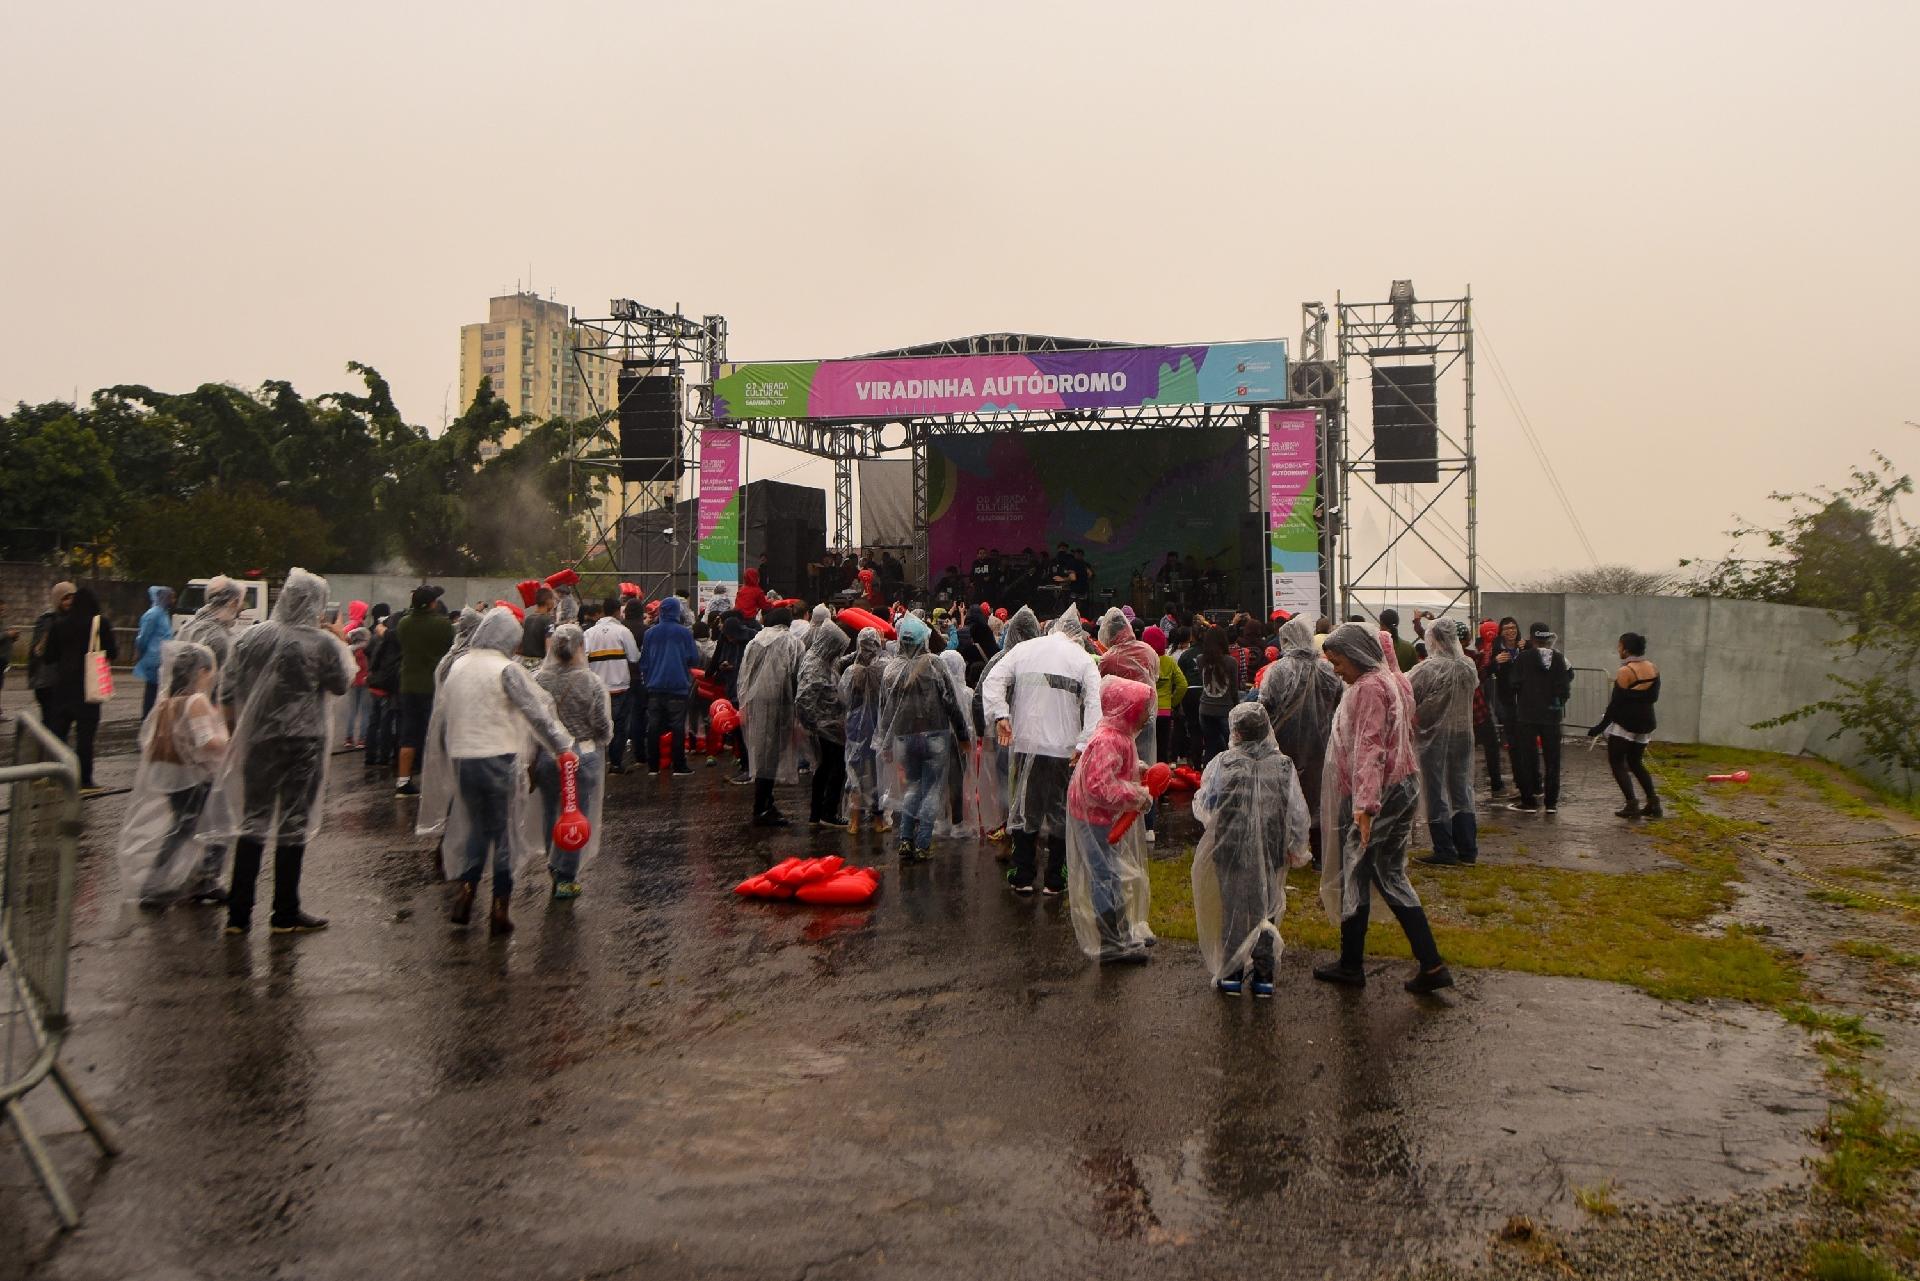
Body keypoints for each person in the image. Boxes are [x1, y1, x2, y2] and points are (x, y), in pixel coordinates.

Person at [1314, 622, 1454, 994]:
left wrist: (1365, 805)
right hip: (1396, 787)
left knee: (1369, 872)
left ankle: (1372, 963)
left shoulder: (1369, 689)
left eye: (1338, 661)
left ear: (1357, 655)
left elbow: (1370, 747)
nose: (1335, 669)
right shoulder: (1390, 680)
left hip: (1381, 793)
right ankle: (1410, 962)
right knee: (1376, 872)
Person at [210, 569, 352, 935]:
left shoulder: (250, 638)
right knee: (293, 823)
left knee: (253, 820)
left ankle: (239, 915)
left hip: (258, 740)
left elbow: (227, 691)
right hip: (303, 741)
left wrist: (234, 733)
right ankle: (284, 910)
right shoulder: (320, 644)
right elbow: (340, 685)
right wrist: (338, 640)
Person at [429, 608, 574, 934]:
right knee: (504, 832)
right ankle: (499, 907)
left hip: (463, 759)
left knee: (477, 828)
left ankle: (467, 892)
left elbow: (445, 716)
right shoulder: (505, 670)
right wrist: (562, 746)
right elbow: (536, 714)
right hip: (497, 758)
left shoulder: (459, 666)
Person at [981, 602, 1102, 896]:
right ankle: (1055, 878)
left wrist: (1001, 715)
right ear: (1077, 634)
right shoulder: (1082, 659)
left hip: (1026, 744)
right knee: (1060, 809)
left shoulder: (1026, 649)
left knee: (1026, 806)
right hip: (1065, 748)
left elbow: (993, 679)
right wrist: (1085, 742)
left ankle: (1022, 874)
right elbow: (1095, 703)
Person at [1193, 703, 1311, 996]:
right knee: (1266, 908)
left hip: (1230, 847)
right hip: (1272, 848)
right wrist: (1297, 845)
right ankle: (1263, 976)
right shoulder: (1283, 765)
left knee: (1233, 908)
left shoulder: (1224, 762)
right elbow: (1297, 812)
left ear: (1236, 731)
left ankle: (1231, 973)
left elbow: (1207, 802)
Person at [117, 641, 232, 910]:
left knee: (182, 829)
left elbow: (150, 742)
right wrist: (230, 742)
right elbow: (206, 742)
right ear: (201, 672)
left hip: (172, 778)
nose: (213, 675)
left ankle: (158, 883)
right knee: (218, 825)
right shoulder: (196, 701)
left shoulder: (166, 702)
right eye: (210, 670)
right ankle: (201, 880)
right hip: (195, 778)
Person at [1064, 675, 1156, 964]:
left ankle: (1120, 932)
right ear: (1125, 709)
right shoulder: (1110, 739)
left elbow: (1111, 771)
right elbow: (1099, 786)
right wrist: (1135, 795)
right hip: (1093, 817)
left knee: (1111, 874)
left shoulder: (1117, 735)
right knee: (1105, 876)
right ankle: (1111, 943)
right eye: (1142, 710)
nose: (1146, 717)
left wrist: (1136, 771)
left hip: (1099, 816)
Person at [529, 623, 613, 898]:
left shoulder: (539, 679)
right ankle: (566, 877)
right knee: (577, 813)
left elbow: (532, 722)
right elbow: (602, 725)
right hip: (582, 756)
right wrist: (600, 738)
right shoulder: (591, 682)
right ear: (580, 648)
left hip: (548, 756)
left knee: (550, 812)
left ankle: (554, 863)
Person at [882, 615, 971, 862]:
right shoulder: (935, 664)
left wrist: (886, 742)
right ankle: (922, 843)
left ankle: (905, 840)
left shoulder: (892, 669)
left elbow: (886, 709)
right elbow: (951, 701)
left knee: (912, 787)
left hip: (905, 737)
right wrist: (962, 734)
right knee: (931, 789)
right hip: (936, 735)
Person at [1257, 615, 1343, 866]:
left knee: (1281, 796)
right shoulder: (1328, 669)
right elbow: (1339, 701)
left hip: (1283, 743)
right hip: (1320, 743)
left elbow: (1265, 705)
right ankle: (1319, 854)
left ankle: (1283, 852)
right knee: (1317, 796)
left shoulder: (1278, 671)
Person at [1411, 621, 1481, 866]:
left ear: (1435, 640)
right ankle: (1468, 848)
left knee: (1434, 790)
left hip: (1434, 736)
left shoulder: (1428, 669)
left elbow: (1407, 693)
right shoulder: (1468, 665)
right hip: (1462, 733)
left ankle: (1444, 848)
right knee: (1461, 788)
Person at [35, 585, 118, 793]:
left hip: (63, 687)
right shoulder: (100, 624)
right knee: (85, 737)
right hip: (89, 689)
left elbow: (49, 657)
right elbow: (113, 652)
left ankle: (56, 775)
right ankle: (84, 780)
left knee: (58, 733)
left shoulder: (59, 624)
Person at [970, 605, 1041, 845]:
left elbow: (979, 696)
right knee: (1029, 784)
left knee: (1003, 784)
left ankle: (1007, 833)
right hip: (1033, 734)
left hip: (1002, 733)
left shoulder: (998, 660)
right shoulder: (1042, 660)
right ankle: (1025, 834)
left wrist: (982, 730)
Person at [1097, 609, 1162, 841]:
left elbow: (1102, 687)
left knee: (1122, 770)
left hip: (1122, 723)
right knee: (1147, 769)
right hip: (1148, 716)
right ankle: (1148, 825)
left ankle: (1123, 822)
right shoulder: (1149, 651)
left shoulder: (1109, 659)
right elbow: (1155, 677)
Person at [738, 605, 806, 825]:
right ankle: (761, 808)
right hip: (781, 705)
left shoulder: (754, 642)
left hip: (756, 704)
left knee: (762, 753)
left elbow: (745, 675)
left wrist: (745, 703)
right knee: (771, 755)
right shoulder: (793, 643)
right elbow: (798, 676)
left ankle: (767, 802)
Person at [1497, 622, 1574, 814]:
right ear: (1548, 638)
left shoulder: (1524, 658)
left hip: (1527, 715)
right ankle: (1551, 803)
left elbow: (1513, 683)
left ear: (1532, 638)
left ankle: (1528, 800)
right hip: (1552, 716)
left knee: (1527, 758)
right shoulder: (1559, 658)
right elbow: (1566, 684)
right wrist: (1556, 702)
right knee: (1552, 760)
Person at [1589, 632, 1663, 819]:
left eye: (1620, 646)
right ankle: (1653, 803)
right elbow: (1652, 697)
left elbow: (1616, 704)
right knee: (1636, 762)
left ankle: (1631, 804)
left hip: (1626, 724)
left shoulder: (1625, 671)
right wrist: (1637, 696)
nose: (1618, 649)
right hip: (1646, 722)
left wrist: (1599, 727)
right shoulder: (1652, 667)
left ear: (1627, 649)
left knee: (1617, 762)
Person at [394, 586, 453, 797]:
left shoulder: (403, 624)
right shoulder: (443, 626)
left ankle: (403, 781)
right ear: (432, 604)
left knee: (408, 734)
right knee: (435, 733)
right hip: (433, 685)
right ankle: (434, 780)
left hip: (408, 684)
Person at [794, 618, 850, 826]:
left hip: (828, 724)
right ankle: (827, 811)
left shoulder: (821, 659)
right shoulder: (814, 667)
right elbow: (804, 699)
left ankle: (817, 813)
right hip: (825, 726)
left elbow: (837, 665)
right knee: (834, 767)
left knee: (825, 767)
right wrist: (814, 726)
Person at [636, 595, 697, 776]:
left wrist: (648, 680)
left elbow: (644, 662)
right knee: (678, 727)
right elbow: (693, 658)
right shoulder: (684, 633)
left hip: (654, 687)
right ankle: (679, 765)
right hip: (678, 687)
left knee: (653, 726)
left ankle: (653, 766)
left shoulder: (650, 633)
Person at [840, 626, 889, 835]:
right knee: (878, 773)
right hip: (878, 726)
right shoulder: (885, 668)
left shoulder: (852, 671)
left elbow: (843, 697)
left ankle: (854, 821)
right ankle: (879, 821)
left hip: (855, 727)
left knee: (855, 772)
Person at [584, 597, 641, 773]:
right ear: (618, 611)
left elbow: (583, 660)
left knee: (598, 726)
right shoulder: (623, 631)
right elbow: (634, 657)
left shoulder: (588, 633)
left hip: (597, 689)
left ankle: (597, 763)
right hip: (620, 687)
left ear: (602, 611)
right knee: (619, 727)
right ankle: (616, 764)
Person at [1142, 624, 1186, 782]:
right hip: (1164, 712)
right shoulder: (1169, 661)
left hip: (1146, 711)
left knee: (1147, 750)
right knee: (1162, 751)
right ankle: (1163, 788)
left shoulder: (1143, 660)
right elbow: (1182, 685)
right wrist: (1172, 703)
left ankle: (1147, 784)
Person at [364, 602, 402, 770]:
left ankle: (370, 755)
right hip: (389, 685)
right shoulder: (396, 640)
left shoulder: (375, 635)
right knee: (388, 721)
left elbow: (367, 652)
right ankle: (385, 756)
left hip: (375, 683)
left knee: (374, 720)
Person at [1472, 620, 1507, 796]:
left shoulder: (1475, 655)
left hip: (1475, 711)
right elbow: (1483, 672)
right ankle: (1496, 784)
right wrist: (1492, 661)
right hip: (1477, 711)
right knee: (1490, 745)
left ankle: (1494, 783)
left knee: (1487, 746)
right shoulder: (1471, 657)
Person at [1195, 626, 1239, 765]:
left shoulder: (1201, 659)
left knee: (1210, 746)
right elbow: (1234, 690)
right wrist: (1236, 707)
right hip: (1225, 710)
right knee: (1231, 747)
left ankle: (1208, 777)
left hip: (1205, 709)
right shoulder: (1231, 662)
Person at [133, 584, 176, 719]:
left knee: (156, 688)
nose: (173, 600)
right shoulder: (154, 614)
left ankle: (151, 716)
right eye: (171, 597)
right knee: (153, 688)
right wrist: (140, 651)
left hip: (160, 656)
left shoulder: (162, 613)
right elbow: (144, 636)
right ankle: (148, 717)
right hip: (154, 657)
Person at [520, 585, 557, 663]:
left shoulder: (528, 619)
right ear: (548, 601)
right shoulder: (549, 620)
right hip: (539, 664)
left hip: (525, 663)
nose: (554, 602)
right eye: (553, 599)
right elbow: (549, 646)